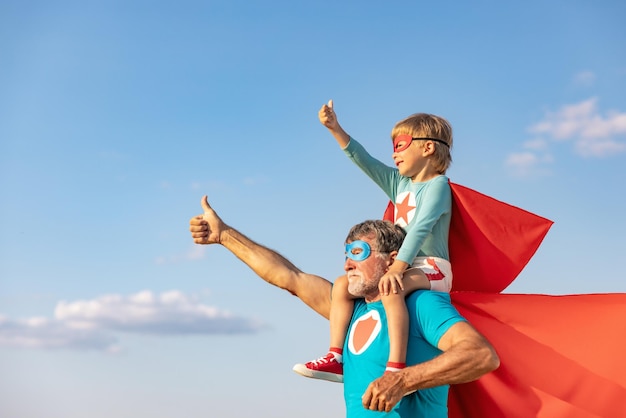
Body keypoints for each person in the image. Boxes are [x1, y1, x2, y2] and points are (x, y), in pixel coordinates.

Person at [189, 196, 499, 417]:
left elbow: (480, 355)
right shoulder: (350, 314)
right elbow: (289, 277)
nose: (348, 262)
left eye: (359, 251)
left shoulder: (420, 304)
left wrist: (403, 379)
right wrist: (225, 236)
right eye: (345, 253)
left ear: (392, 259)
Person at [293, 100, 454, 383]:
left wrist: (396, 269)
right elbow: (362, 160)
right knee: (342, 284)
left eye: (401, 145)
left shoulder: (438, 185)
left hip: (431, 268)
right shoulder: (399, 184)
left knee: (390, 288)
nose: (394, 154)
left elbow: (420, 228)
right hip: (401, 263)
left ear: (428, 147)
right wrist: (335, 129)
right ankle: (336, 356)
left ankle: (395, 367)